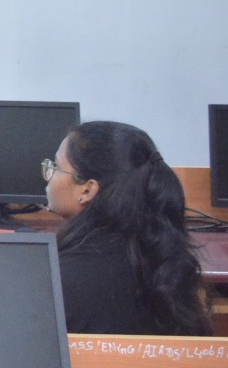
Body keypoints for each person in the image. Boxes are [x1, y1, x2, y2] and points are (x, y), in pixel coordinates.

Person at [43, 120, 212, 336]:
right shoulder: (162, 254)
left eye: (55, 166)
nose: (48, 174)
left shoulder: (58, 277)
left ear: (87, 190)